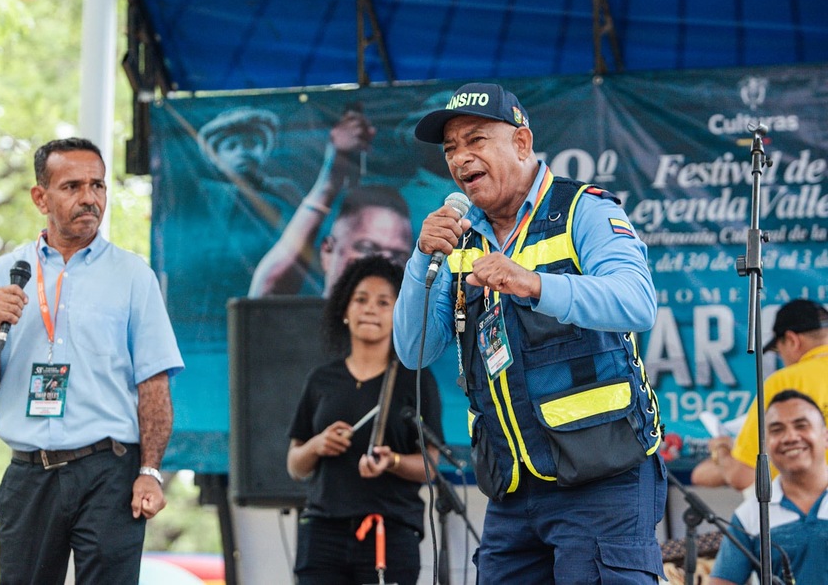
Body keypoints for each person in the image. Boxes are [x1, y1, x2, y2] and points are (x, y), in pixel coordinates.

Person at [392, 82, 665, 583]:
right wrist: (420, 258)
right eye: (451, 148)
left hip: (602, 478)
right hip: (513, 489)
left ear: (521, 143)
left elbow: (636, 302)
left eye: (476, 140)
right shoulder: (460, 236)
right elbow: (414, 350)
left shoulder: (584, 209)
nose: (460, 158)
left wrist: (534, 283)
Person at [0, 138, 185, 583]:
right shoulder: (4, 274)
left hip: (109, 470)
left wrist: (151, 472)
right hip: (29, 472)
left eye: (98, 186)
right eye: (72, 186)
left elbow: (154, 386)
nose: (89, 198)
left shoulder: (133, 275)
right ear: (40, 197)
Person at [287, 256, 444, 585]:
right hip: (321, 533)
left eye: (384, 302)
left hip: (389, 532)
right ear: (345, 311)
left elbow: (431, 464)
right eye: (360, 299)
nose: (370, 308)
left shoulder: (414, 378)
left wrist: (394, 461)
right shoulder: (321, 380)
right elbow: (295, 465)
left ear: (398, 314)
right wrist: (316, 445)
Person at [248, 105, 411, 298]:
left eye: (398, 257)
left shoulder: (408, 325)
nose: (383, 264)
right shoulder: (303, 322)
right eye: (367, 249)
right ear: (327, 252)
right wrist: (328, 183)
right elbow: (266, 290)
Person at [691, 299, 828, 490]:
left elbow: (745, 477)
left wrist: (720, 448)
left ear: (792, 340)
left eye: (779, 351)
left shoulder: (785, 382)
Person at [708, 389, 828, 585]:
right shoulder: (750, 515)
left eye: (801, 425)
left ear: (825, 436)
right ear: (765, 444)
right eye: (777, 429)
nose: (790, 437)